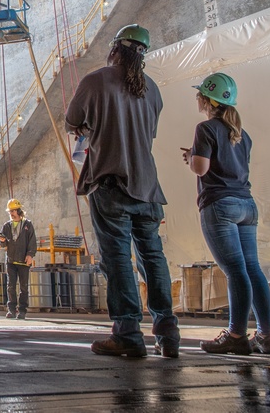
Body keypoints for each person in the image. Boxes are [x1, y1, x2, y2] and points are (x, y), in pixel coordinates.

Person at [65, 23, 180, 358]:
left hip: (111, 183)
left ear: (115, 48)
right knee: (153, 258)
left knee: (118, 260)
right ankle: (167, 331)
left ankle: (128, 333)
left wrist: (89, 127)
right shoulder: (152, 89)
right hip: (148, 188)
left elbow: (73, 120)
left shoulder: (95, 80)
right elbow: (148, 133)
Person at [183, 73, 270, 355]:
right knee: (253, 270)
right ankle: (266, 336)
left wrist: (191, 157)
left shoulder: (205, 129)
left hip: (220, 205)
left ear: (206, 100)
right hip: (246, 205)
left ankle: (236, 335)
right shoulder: (242, 134)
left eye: (199, 94)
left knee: (235, 271)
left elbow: (201, 169)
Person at [0, 198, 37, 319]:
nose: (12, 214)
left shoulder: (27, 225)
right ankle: (11, 310)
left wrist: (30, 255)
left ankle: (23, 310)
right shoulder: (6, 226)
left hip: (24, 260)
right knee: (11, 286)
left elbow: (32, 242)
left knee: (24, 286)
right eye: (10, 212)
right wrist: (2, 241)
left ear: (19, 211)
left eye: (13, 211)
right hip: (11, 260)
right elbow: (3, 246)